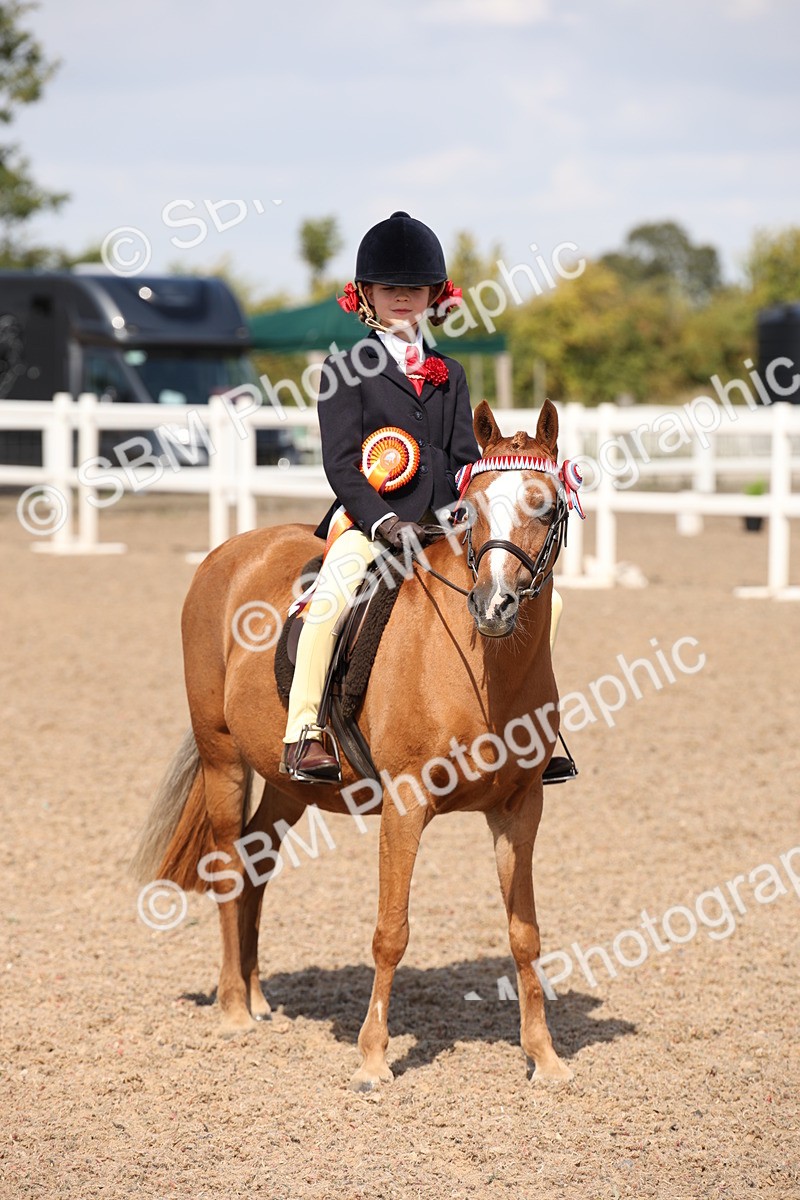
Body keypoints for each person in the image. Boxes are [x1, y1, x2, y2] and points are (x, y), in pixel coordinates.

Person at [281, 210, 479, 782]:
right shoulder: (345, 370)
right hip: (371, 523)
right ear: (365, 295)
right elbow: (341, 466)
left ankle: (533, 725)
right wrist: (387, 523)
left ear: (432, 296)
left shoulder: (451, 372)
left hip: (444, 529)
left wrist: (466, 513)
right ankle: (303, 733)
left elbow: (464, 457)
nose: (401, 298)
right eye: (390, 289)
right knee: (329, 604)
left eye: (413, 289)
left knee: (541, 602)